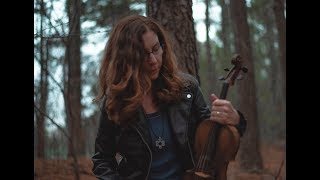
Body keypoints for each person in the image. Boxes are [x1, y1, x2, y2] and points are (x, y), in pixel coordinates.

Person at [91, 14, 247, 180]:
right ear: (127, 60)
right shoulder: (115, 103)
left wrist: (236, 120)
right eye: (143, 54)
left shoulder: (187, 89)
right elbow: (102, 160)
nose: (153, 60)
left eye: (156, 49)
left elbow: (213, 137)